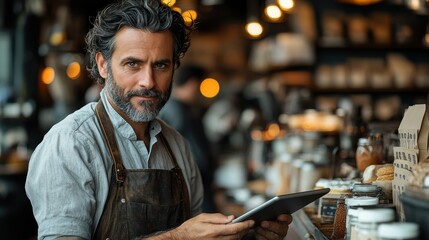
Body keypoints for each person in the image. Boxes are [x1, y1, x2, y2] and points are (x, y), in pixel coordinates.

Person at [25, 0, 292, 239]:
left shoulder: (177, 147)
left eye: (161, 65)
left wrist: (247, 235)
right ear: (103, 65)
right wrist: (179, 237)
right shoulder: (70, 144)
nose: (149, 82)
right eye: (133, 64)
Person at [158, 65, 217, 213]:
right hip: (193, 182)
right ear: (193, 84)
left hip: (196, 181)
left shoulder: (180, 107)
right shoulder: (176, 110)